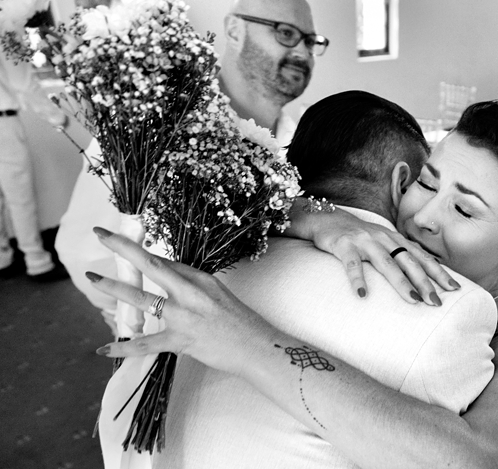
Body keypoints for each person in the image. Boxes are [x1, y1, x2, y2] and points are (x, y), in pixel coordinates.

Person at [88, 95, 498, 469]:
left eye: (465, 211)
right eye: (427, 184)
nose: (424, 218)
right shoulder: (425, 314)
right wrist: (310, 214)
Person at [54, 0, 327, 334]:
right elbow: (81, 250)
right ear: (234, 30)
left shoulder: (299, 139)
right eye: (285, 33)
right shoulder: (148, 127)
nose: (302, 52)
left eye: (311, 41)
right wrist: (135, 318)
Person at [0, 0, 68, 280]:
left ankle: (0, 257)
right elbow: (23, 82)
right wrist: (56, 116)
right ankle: (37, 262)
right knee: (20, 199)